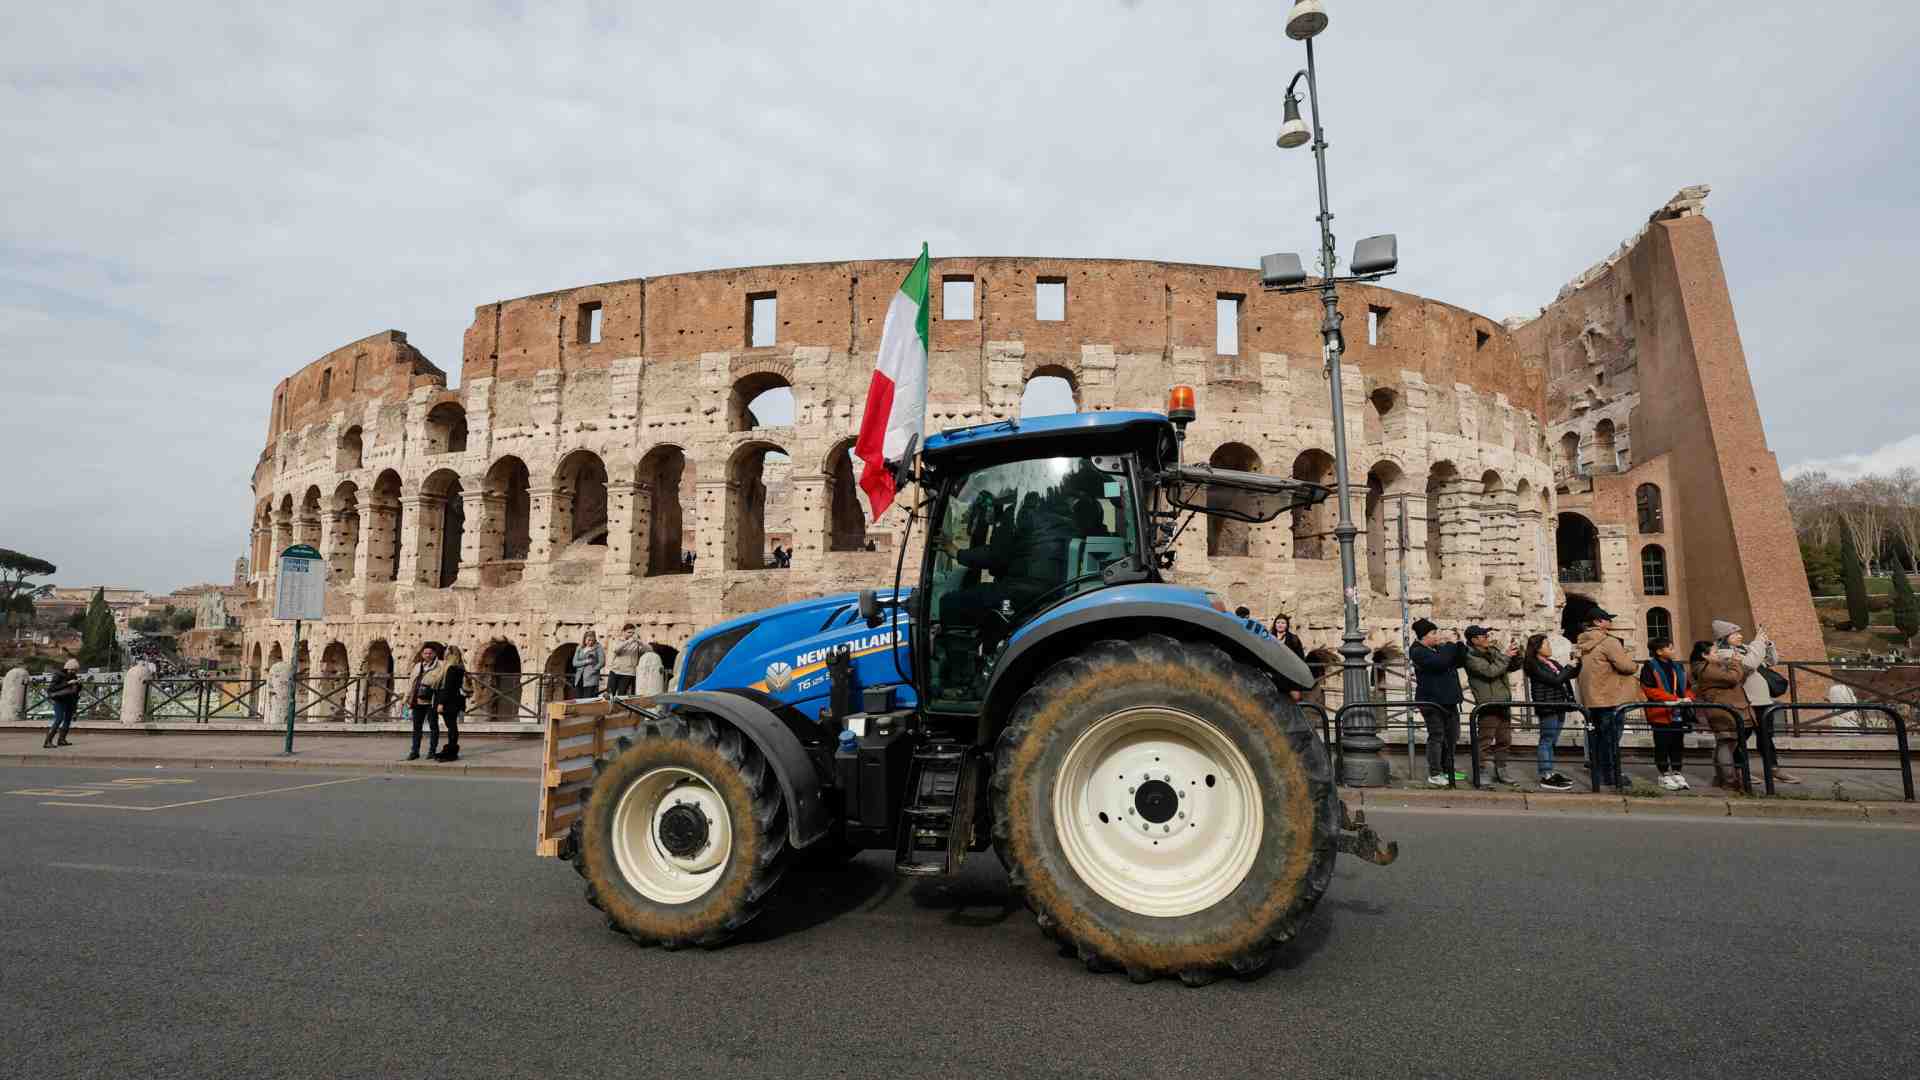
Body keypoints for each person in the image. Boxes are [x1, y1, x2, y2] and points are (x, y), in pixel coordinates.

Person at [1712, 619, 1801, 784]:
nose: (1740, 636)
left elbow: (1771, 662)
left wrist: (1767, 645)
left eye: (1739, 632)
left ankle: (1773, 768)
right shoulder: (1722, 654)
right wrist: (1757, 643)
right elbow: (1749, 664)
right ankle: (1740, 770)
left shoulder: (1746, 649)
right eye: (1735, 634)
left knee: (1766, 737)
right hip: (1744, 702)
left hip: (1762, 701)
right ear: (1724, 637)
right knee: (1739, 738)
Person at [1574, 607, 1642, 789]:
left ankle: (1599, 774)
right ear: (1597, 622)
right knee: (1611, 738)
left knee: (1598, 738)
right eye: (1606, 619)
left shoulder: (1582, 641)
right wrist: (1634, 664)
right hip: (1610, 698)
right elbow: (1626, 666)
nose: (1610, 623)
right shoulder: (1609, 642)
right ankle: (1612, 776)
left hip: (1592, 698)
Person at [1409, 618, 1469, 787]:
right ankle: (1435, 773)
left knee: (1452, 736)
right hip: (1431, 701)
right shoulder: (1418, 651)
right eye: (1433, 633)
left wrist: (1459, 644)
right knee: (1437, 736)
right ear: (1424, 636)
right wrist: (1450, 645)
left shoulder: (1437, 649)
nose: (1437, 636)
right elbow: (1440, 663)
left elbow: (1459, 661)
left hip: (1449, 700)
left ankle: (1447, 769)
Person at [1463, 626, 1524, 785]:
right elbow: (1490, 672)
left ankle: (1501, 769)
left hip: (1502, 702)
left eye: (1486, 634)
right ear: (1474, 640)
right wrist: (1505, 656)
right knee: (1484, 740)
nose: (1487, 637)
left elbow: (1509, 666)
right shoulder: (1470, 657)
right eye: (1483, 635)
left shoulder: (1494, 652)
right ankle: (1480, 770)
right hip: (1488, 704)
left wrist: (1516, 654)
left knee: (1504, 740)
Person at [1692, 637, 1751, 790]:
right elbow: (1733, 678)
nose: (1718, 654)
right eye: (1715, 652)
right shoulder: (1708, 669)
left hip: (1725, 708)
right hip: (1723, 711)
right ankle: (1729, 780)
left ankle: (1721, 778)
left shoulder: (1709, 667)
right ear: (1705, 655)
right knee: (1727, 742)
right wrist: (1735, 662)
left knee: (1725, 743)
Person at [1523, 633, 1579, 791]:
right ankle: (1545, 774)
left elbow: (1568, 675)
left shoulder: (1551, 662)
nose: (1550, 647)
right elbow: (1555, 680)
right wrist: (1570, 666)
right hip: (1547, 706)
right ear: (1537, 648)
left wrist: (1577, 662)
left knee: (1552, 740)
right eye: (1546, 644)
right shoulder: (1533, 664)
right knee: (1546, 740)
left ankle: (1550, 771)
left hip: (1559, 704)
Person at [1638, 637, 1692, 790]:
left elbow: (1687, 686)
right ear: (1659, 651)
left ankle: (1677, 772)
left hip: (1678, 711)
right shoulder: (1650, 666)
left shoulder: (1678, 666)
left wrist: (1688, 698)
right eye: (1670, 648)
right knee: (1662, 743)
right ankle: (1663, 774)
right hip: (1660, 712)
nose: (1673, 651)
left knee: (1677, 743)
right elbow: (1648, 689)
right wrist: (1674, 698)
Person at [405, 643, 442, 762]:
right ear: (422, 654)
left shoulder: (440, 666)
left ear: (434, 654)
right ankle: (414, 751)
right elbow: (411, 683)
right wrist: (406, 698)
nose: (427, 655)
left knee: (433, 726)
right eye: (425, 653)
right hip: (417, 700)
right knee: (417, 727)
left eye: (430, 653)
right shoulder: (418, 666)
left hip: (431, 701)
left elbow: (442, 683)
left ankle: (432, 751)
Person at [435, 645, 467, 763]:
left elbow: (448, 688)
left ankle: (451, 752)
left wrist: (441, 703)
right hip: (457, 701)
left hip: (449, 701)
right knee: (452, 726)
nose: (444, 654)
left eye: (446, 653)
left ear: (450, 655)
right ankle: (451, 749)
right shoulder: (460, 667)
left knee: (451, 727)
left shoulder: (451, 669)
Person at [44, 659, 82, 748]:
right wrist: (68, 683)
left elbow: (75, 690)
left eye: (75, 670)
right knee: (59, 719)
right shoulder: (58, 675)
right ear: (66, 668)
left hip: (69, 700)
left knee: (68, 720)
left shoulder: (74, 676)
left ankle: (62, 740)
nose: (73, 672)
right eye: (71, 670)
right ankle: (47, 741)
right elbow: (52, 688)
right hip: (59, 700)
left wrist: (79, 685)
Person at [607, 624, 644, 697]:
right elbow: (616, 649)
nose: (631, 634)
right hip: (615, 670)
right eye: (629, 632)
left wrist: (640, 642)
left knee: (622, 696)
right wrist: (628, 642)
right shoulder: (617, 640)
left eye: (633, 633)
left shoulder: (637, 643)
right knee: (609, 694)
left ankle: (618, 709)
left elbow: (648, 650)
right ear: (623, 632)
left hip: (628, 673)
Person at [571, 629, 604, 700]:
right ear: (584, 639)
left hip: (591, 678)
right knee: (578, 700)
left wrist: (593, 670)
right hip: (579, 677)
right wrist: (586, 661)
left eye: (592, 640)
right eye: (588, 640)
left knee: (588, 700)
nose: (590, 642)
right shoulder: (579, 648)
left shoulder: (598, 647)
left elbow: (602, 662)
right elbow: (574, 663)